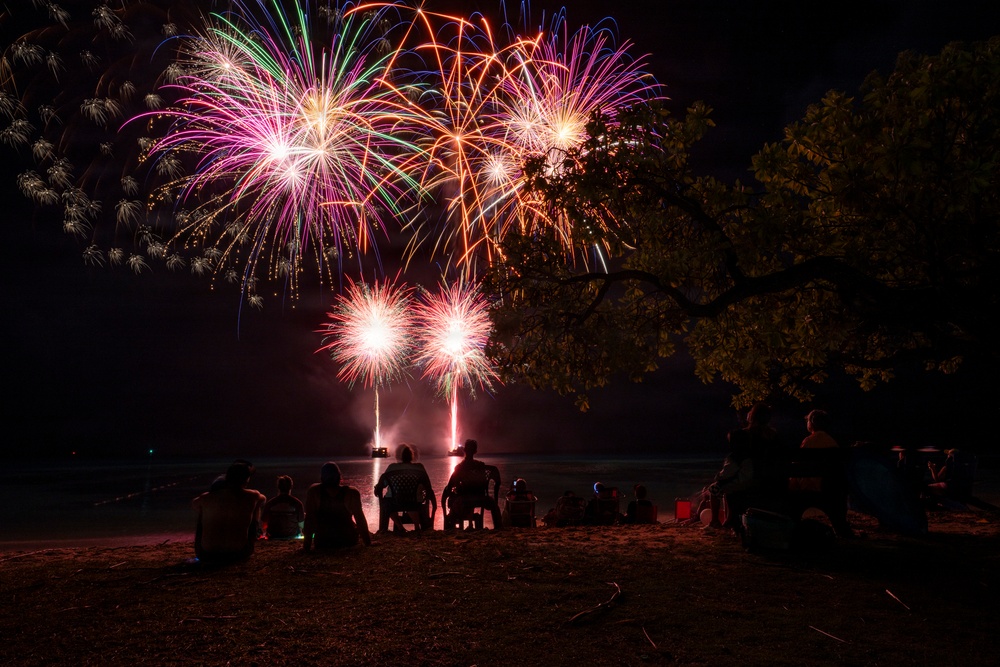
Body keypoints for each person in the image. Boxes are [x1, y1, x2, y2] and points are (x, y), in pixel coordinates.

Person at [191, 461, 266, 564]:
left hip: (206, 554)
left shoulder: (206, 498)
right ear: (247, 479)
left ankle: (210, 541)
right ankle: (256, 535)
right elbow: (263, 500)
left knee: (202, 510)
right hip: (240, 553)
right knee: (256, 506)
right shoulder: (253, 496)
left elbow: (194, 504)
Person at [795, 409, 854, 538]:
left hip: (809, 487)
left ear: (811, 424)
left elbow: (801, 466)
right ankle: (841, 528)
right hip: (830, 487)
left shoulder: (808, 441)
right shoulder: (832, 442)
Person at [303, 462, 372, 550]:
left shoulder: (314, 491)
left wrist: (306, 547)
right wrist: (368, 543)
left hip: (323, 541)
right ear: (340, 477)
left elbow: (309, 520)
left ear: (322, 478)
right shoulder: (352, 493)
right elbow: (360, 519)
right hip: (348, 540)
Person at [373, 443, 437, 532]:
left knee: (386, 502)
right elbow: (428, 486)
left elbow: (382, 484)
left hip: (395, 501)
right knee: (413, 501)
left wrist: (377, 487)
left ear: (400, 457)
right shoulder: (419, 467)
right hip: (415, 501)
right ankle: (417, 527)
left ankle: (400, 527)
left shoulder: (392, 467)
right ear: (412, 456)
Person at [441, 439, 502, 530]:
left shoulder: (459, 468)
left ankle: (451, 523)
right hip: (481, 498)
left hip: (465, 498)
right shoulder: (481, 466)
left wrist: (450, 492)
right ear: (475, 451)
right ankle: (498, 527)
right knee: (494, 505)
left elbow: (450, 485)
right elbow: (497, 481)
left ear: (464, 450)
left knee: (452, 500)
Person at [261, 475, 304, 540]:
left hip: (273, 535)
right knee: (303, 516)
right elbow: (302, 525)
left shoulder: (270, 503)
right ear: (291, 486)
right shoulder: (297, 503)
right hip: (291, 535)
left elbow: (264, 523)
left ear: (278, 487)